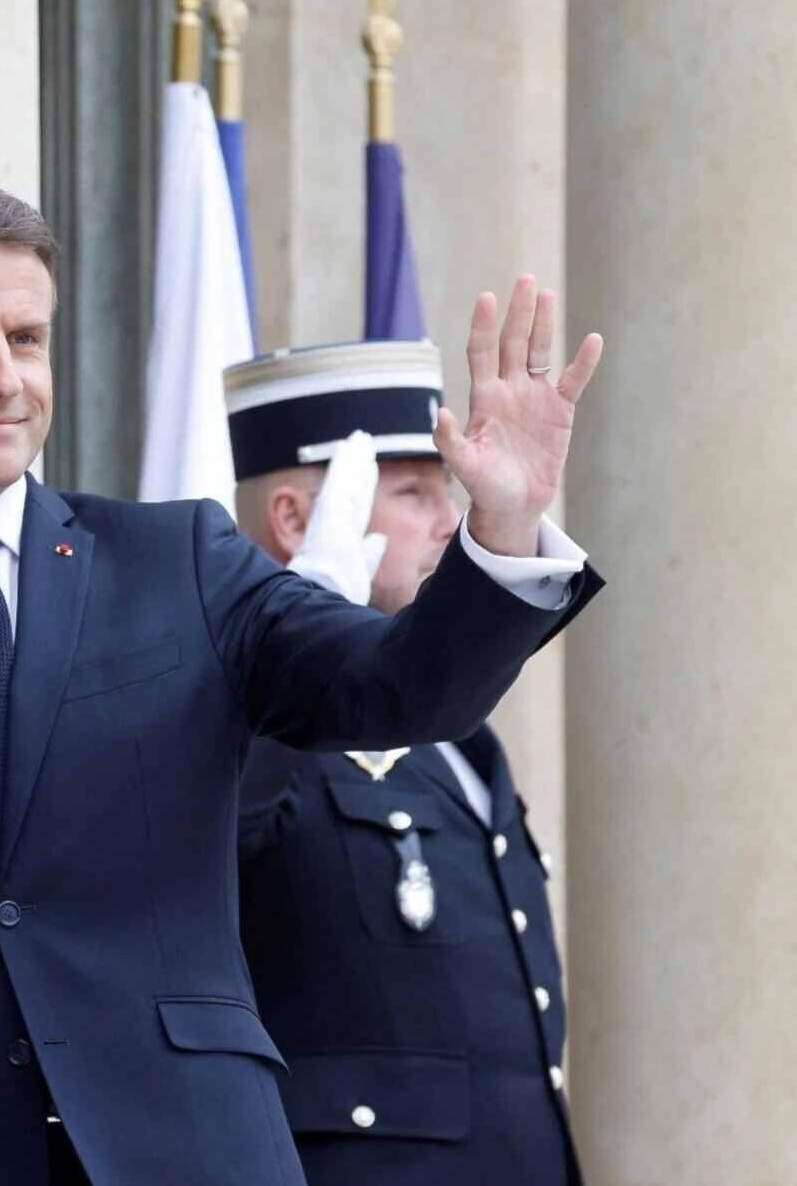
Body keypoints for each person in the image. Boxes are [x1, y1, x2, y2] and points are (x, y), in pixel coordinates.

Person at [0, 174, 605, 1186]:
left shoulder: (180, 561)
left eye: (26, 339)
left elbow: (397, 690)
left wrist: (501, 527)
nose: (2, 377)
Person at [229, 340, 582, 1185]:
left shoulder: (459, 731)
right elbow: (209, 838)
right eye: (415, 492)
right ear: (295, 521)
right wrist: (300, 629)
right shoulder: (240, 720)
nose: (447, 523)